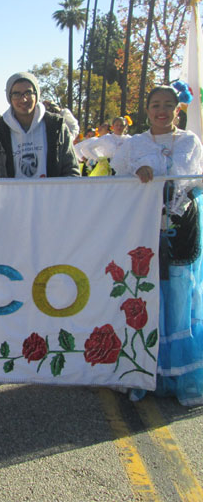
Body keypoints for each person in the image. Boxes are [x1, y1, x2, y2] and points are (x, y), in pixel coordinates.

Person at [111, 85, 203, 406]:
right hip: (143, 232)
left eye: (168, 105)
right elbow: (116, 178)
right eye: (154, 105)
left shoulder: (190, 141)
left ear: (178, 109)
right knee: (146, 296)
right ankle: (144, 372)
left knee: (178, 296)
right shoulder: (134, 145)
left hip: (181, 230)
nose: (161, 110)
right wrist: (137, 172)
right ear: (146, 109)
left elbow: (187, 180)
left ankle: (179, 375)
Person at [0, 72, 79, 178]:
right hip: (11, 195)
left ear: (36, 94)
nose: (23, 99)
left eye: (28, 93)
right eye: (16, 94)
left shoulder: (57, 127)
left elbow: (72, 171)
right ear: (9, 98)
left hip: (51, 195)